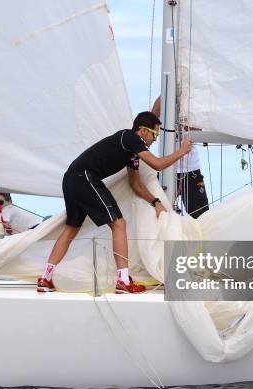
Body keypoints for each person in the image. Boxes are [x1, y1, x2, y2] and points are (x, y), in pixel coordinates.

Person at [37, 111, 192, 293]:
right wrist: (182, 151)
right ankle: (123, 281)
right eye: (155, 134)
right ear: (142, 131)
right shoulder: (130, 137)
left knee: (71, 229)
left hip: (72, 178)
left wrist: (156, 201)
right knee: (119, 223)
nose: (155, 139)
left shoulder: (132, 152)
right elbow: (156, 164)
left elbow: (135, 184)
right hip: (84, 177)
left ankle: (45, 278)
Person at [151, 97, 209, 218]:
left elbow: (199, 130)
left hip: (190, 170)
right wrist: (169, 92)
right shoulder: (166, 99)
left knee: (200, 215)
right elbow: (152, 116)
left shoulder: (192, 102)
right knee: (158, 213)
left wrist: (187, 123)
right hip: (166, 167)